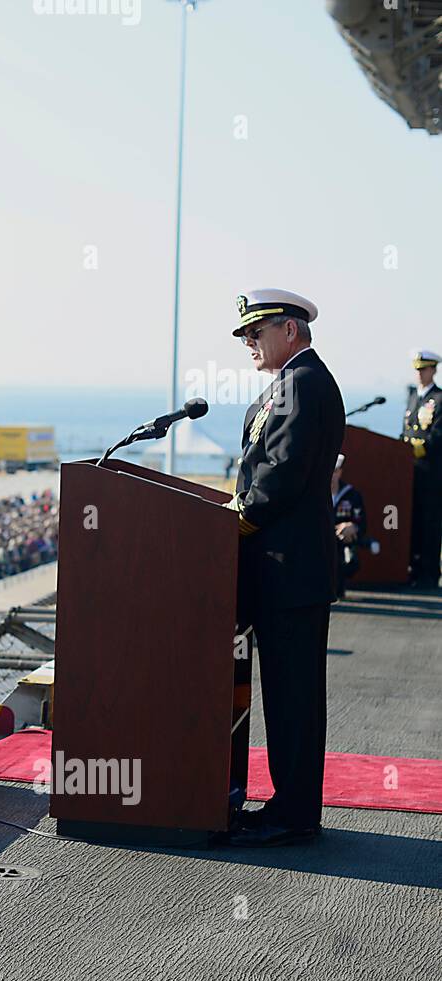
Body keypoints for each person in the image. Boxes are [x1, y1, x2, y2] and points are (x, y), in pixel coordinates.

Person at [225, 289, 345, 847]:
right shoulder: (290, 383)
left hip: (291, 574)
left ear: (290, 330)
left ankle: (294, 814)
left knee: (294, 700)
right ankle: (289, 806)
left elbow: (279, 475)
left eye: (257, 331)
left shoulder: (301, 384)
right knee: (287, 696)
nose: (249, 342)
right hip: (285, 573)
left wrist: (234, 522)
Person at [402, 350, 442, 588]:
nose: (419, 374)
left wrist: (410, 449)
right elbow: (407, 430)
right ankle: (412, 567)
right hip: (408, 473)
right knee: (411, 521)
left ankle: (428, 572)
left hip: (431, 474)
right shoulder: (412, 397)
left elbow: (437, 437)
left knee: (429, 522)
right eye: (417, 369)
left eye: (423, 369)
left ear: (433, 370)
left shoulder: (439, 399)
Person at [330, 454, 366, 598]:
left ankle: (339, 588)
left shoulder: (352, 495)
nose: (332, 475)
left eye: (335, 471)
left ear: (340, 472)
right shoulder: (316, 492)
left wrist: (352, 526)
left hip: (342, 544)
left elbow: (362, 523)